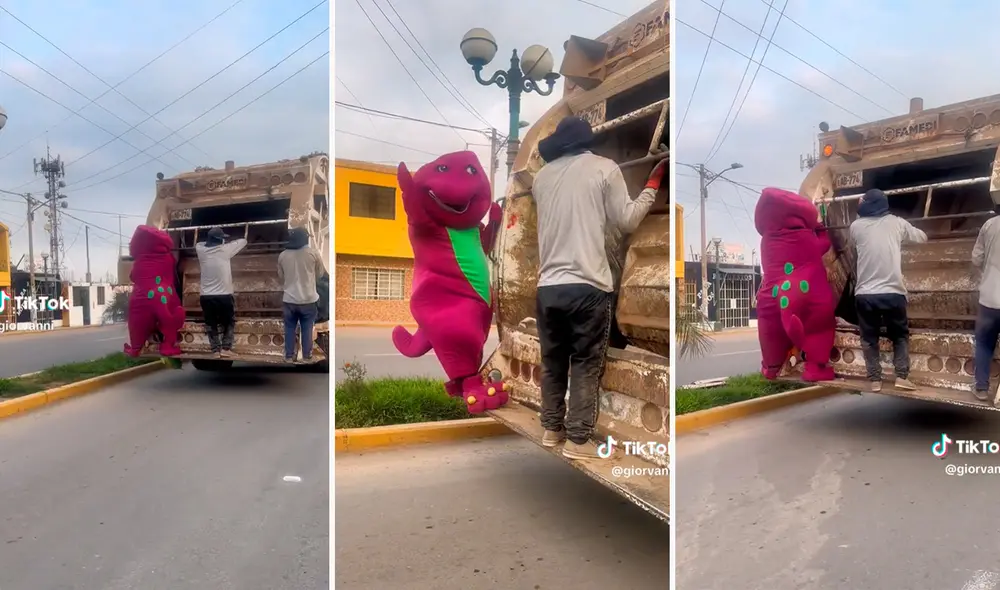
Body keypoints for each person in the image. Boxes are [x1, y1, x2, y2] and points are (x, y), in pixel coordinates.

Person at [531, 115, 665, 460]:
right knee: (586, 364)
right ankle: (578, 441)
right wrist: (652, 184)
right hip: (588, 287)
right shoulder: (604, 168)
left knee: (553, 362)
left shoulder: (541, 178)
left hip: (548, 288)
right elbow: (627, 220)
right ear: (587, 142)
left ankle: (551, 430)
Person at [850, 188, 927, 392]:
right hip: (893, 293)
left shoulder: (855, 227)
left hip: (865, 295)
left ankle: (875, 380)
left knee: (869, 338)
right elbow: (922, 237)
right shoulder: (897, 222)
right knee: (899, 335)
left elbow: (854, 246)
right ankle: (901, 376)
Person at [195, 227, 246, 357]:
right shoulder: (225, 250)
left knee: (211, 323)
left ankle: (215, 351)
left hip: (206, 296)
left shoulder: (201, 250)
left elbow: (199, 243)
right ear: (220, 240)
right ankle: (226, 348)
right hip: (224, 295)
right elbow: (243, 241)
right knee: (228, 321)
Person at [277, 227, 326, 363]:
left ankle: (288, 356)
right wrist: (310, 280)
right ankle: (306, 356)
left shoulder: (283, 255)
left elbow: (281, 276)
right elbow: (320, 274)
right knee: (307, 328)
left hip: (289, 300)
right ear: (305, 238)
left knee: (289, 328)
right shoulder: (313, 254)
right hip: (308, 299)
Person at [971, 205, 1000, 401]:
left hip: (990, 297)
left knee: (983, 343)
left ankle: (981, 388)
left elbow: (976, 258)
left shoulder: (989, 225)